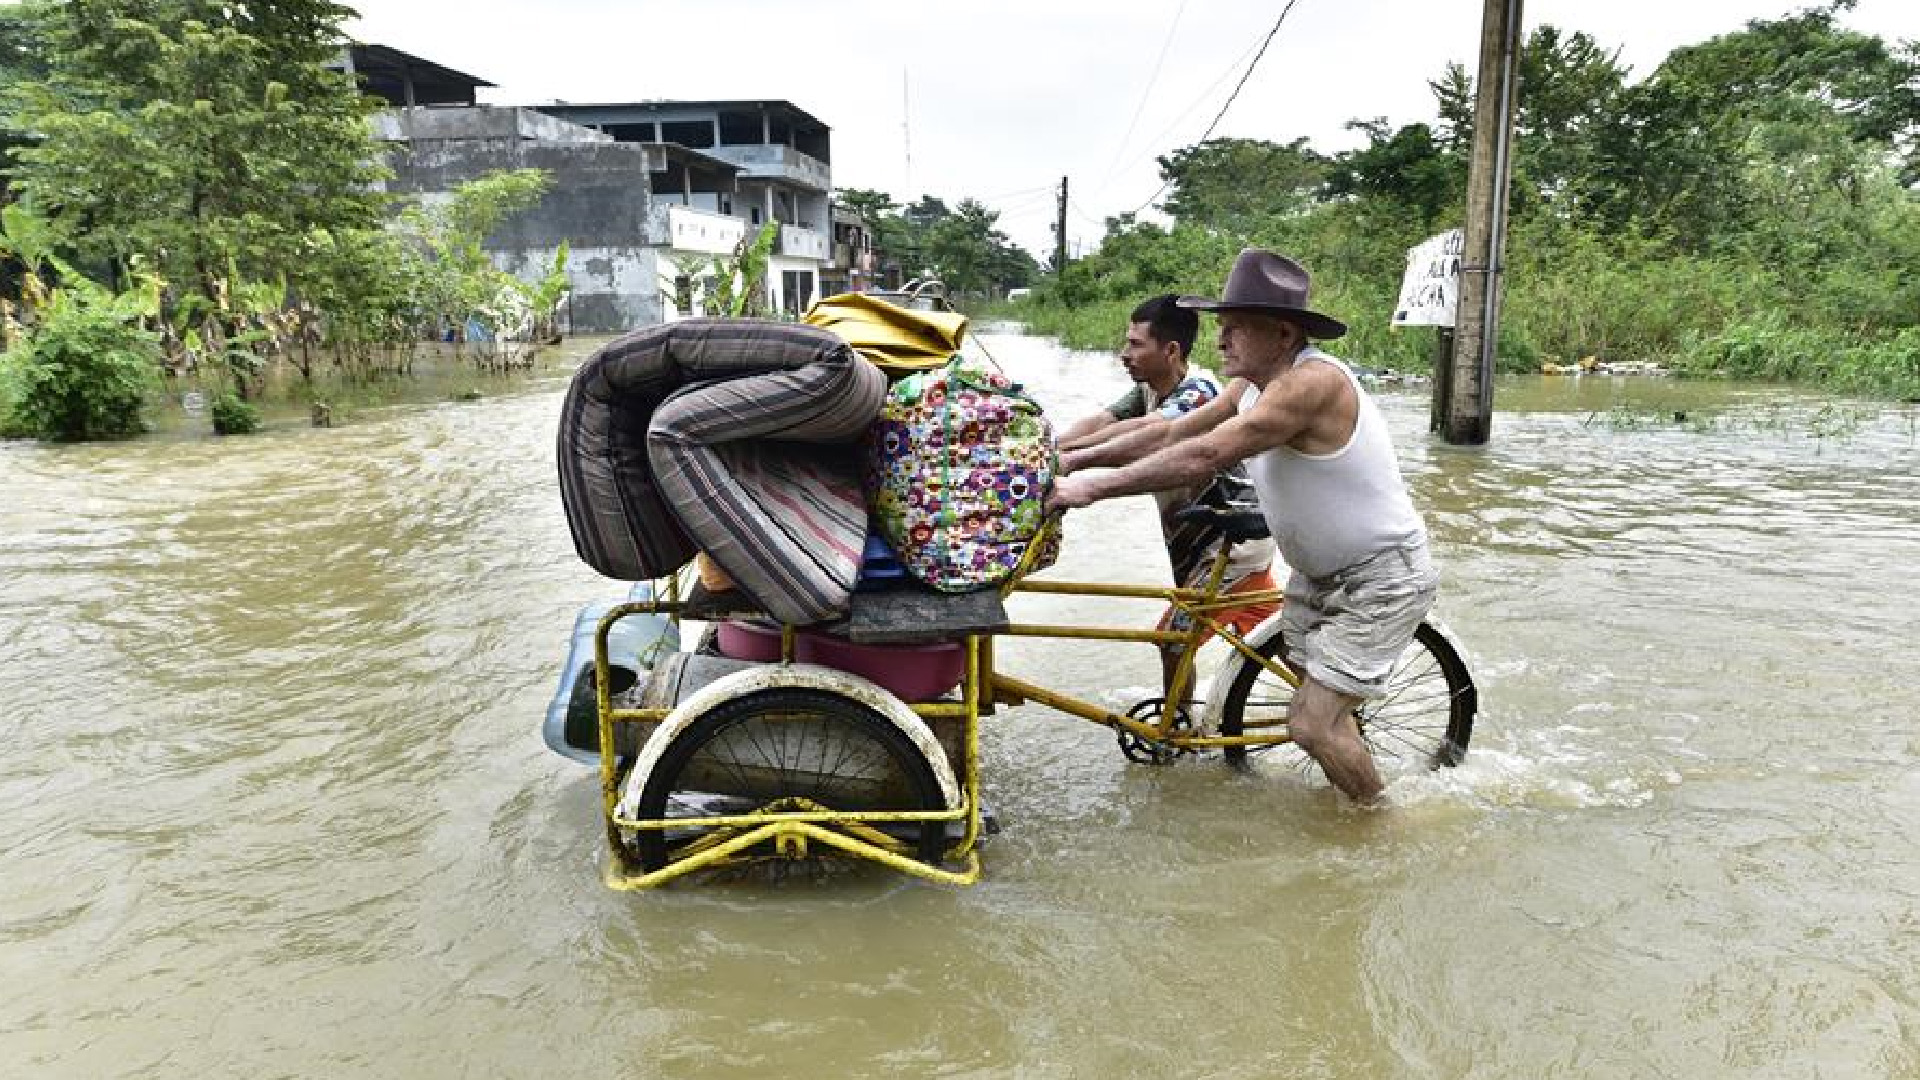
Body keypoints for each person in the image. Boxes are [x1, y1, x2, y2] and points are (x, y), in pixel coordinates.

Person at [1048, 250, 1437, 803]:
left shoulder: (1312, 384)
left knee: (1310, 724)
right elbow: (1170, 435)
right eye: (1220, 327)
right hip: (1317, 576)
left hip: (1378, 576)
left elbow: (1204, 454)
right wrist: (1068, 462)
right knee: (1304, 694)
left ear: (1281, 333)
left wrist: (1087, 490)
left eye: (1233, 329)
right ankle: (1347, 785)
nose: (1221, 340)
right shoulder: (1249, 387)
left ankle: (1381, 827)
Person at [1056, 295, 1279, 702]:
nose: (1125, 355)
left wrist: (1072, 461)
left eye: (1136, 344)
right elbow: (1103, 423)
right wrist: (1047, 446)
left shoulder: (1200, 393)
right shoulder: (1147, 391)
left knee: (1172, 639)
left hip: (1230, 546)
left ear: (1171, 350)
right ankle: (1333, 706)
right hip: (1205, 545)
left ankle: (1177, 736)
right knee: (1283, 646)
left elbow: (1149, 434)